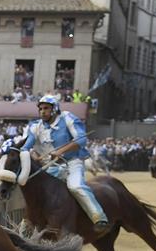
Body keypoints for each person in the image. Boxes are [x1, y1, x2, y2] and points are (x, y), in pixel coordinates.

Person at [22, 95, 109, 232]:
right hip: (50, 166)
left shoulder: (68, 118)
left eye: (46, 108)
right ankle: (28, 223)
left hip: (72, 162)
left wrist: (61, 151)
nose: (42, 111)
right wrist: (32, 153)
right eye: (40, 109)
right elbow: (26, 146)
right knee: (37, 191)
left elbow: (81, 140)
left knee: (76, 186)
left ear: (55, 108)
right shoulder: (35, 126)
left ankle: (98, 217)